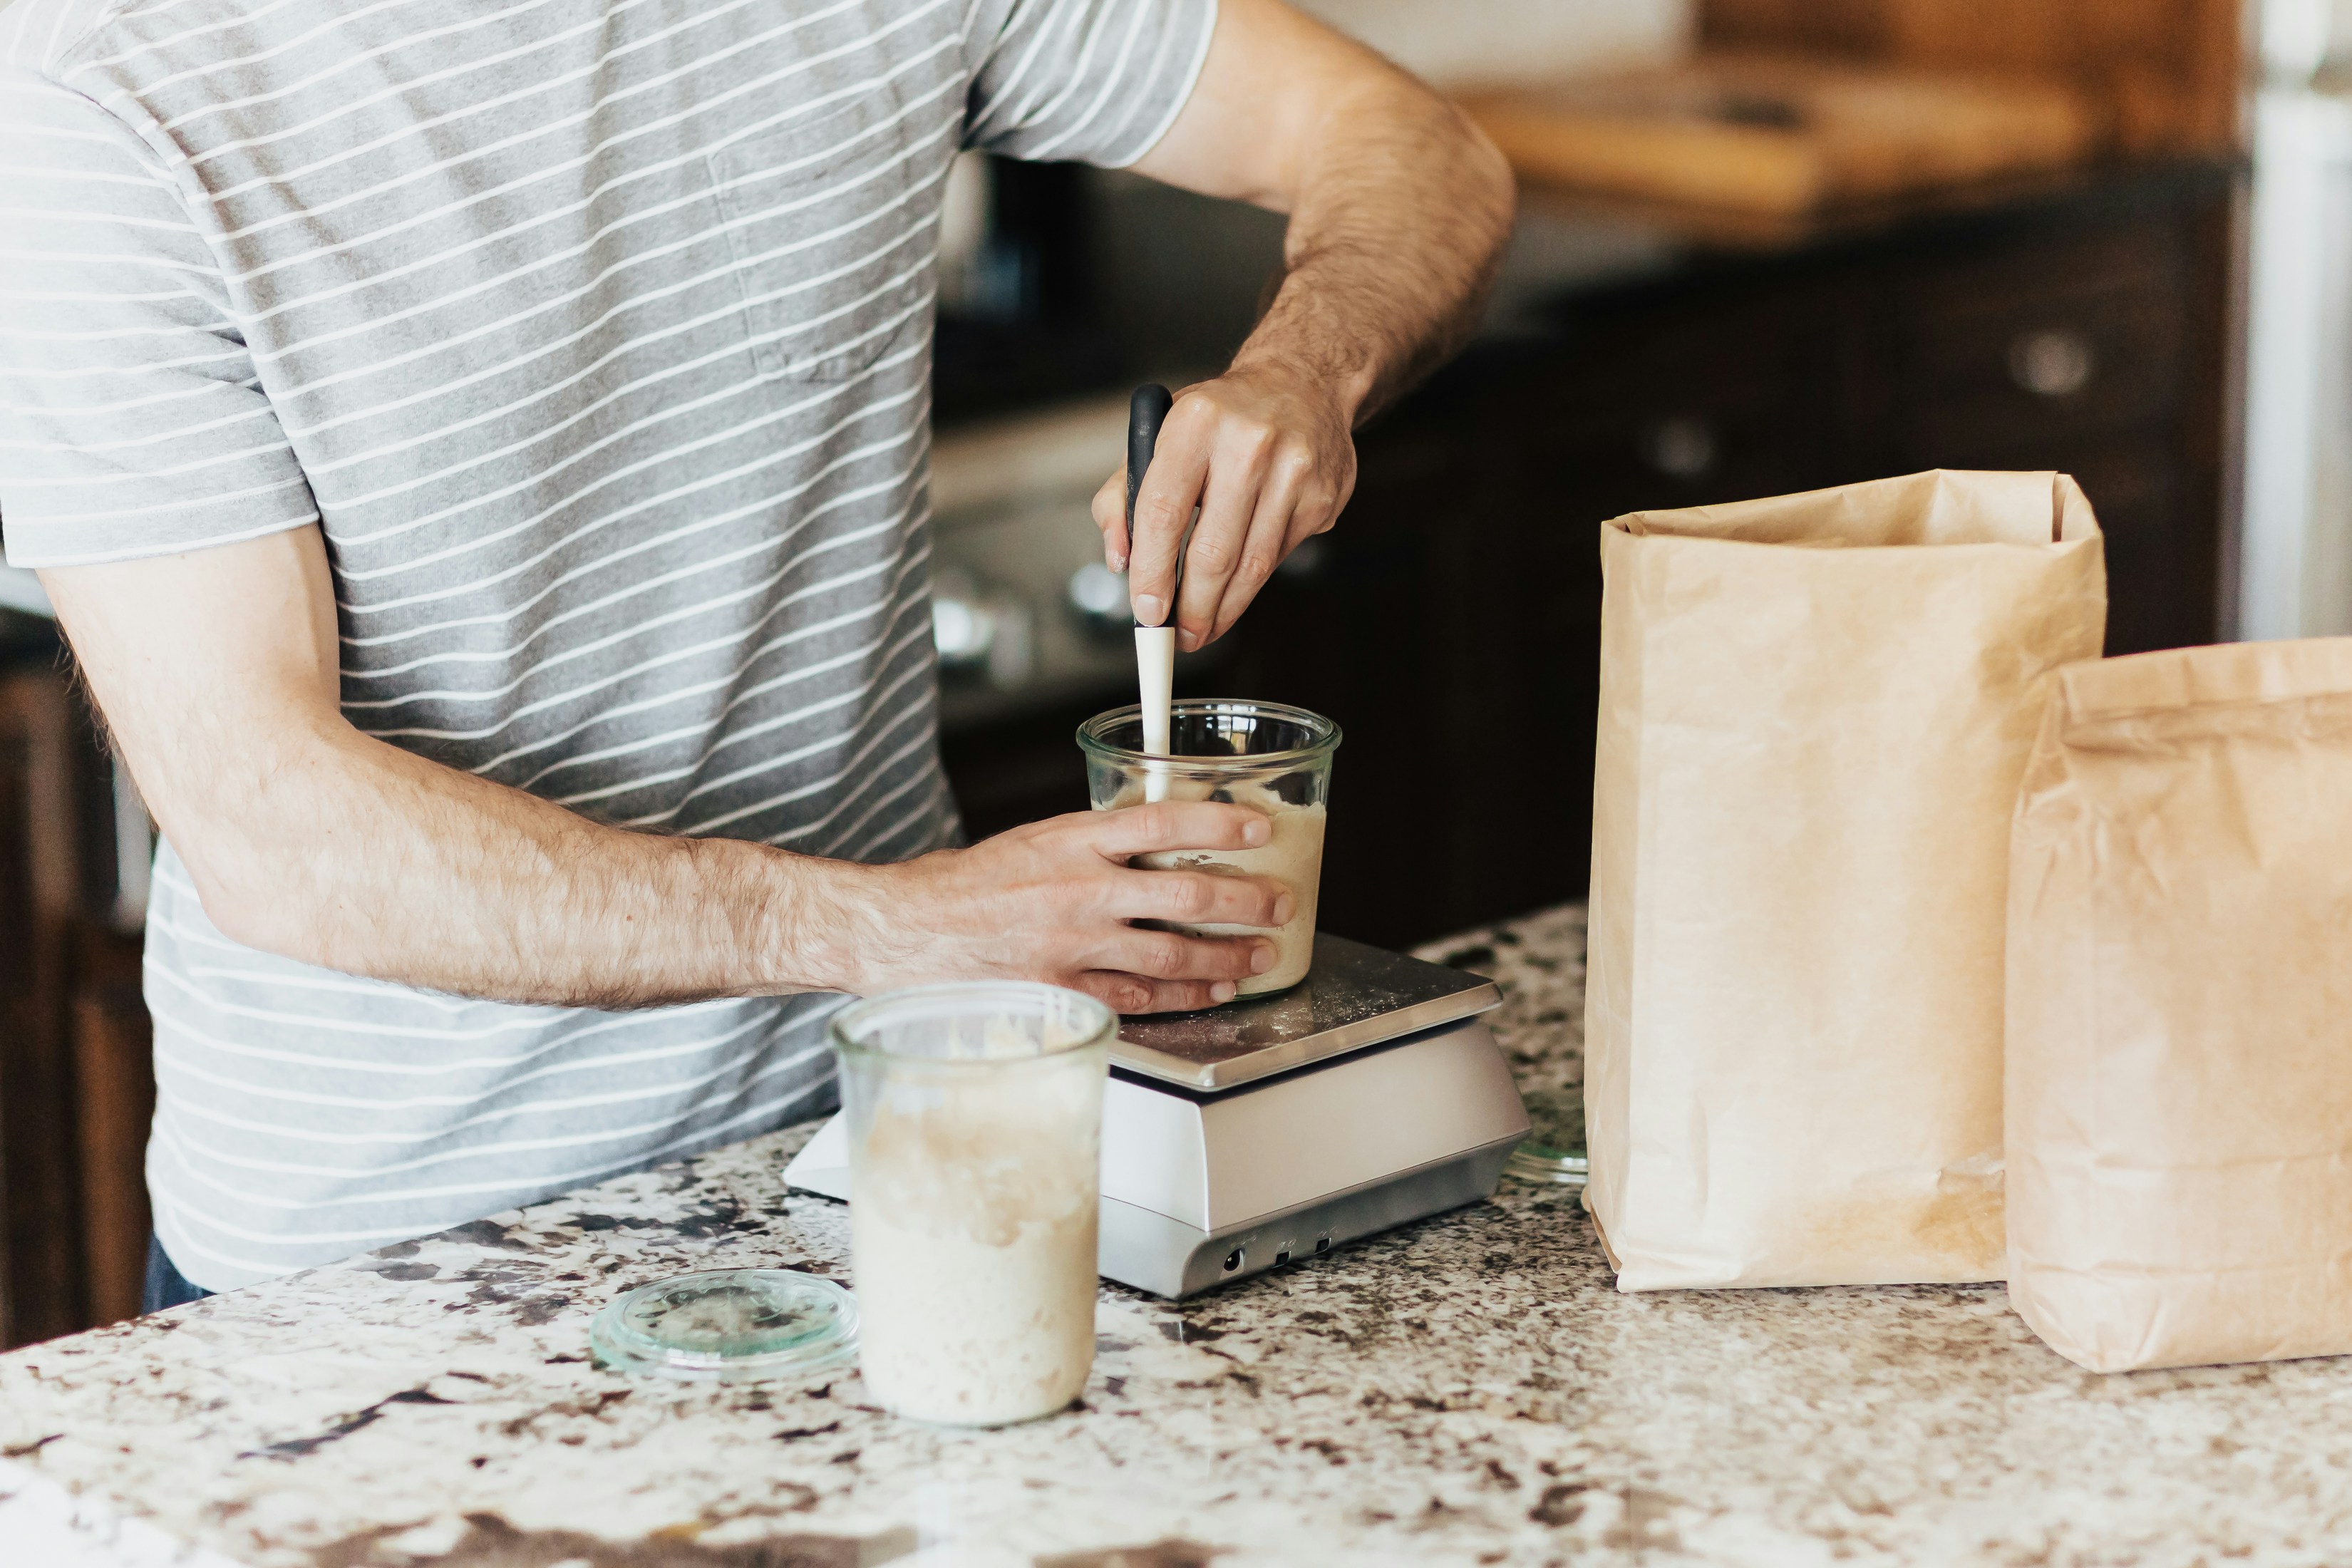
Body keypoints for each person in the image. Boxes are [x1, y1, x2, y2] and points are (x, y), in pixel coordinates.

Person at [0, 0, 1515, 1303]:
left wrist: (1306, 366)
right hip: (394, 1264)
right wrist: (902, 930)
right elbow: (281, 830)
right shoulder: (105, 95)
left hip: (881, 1167)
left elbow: (1409, 147)